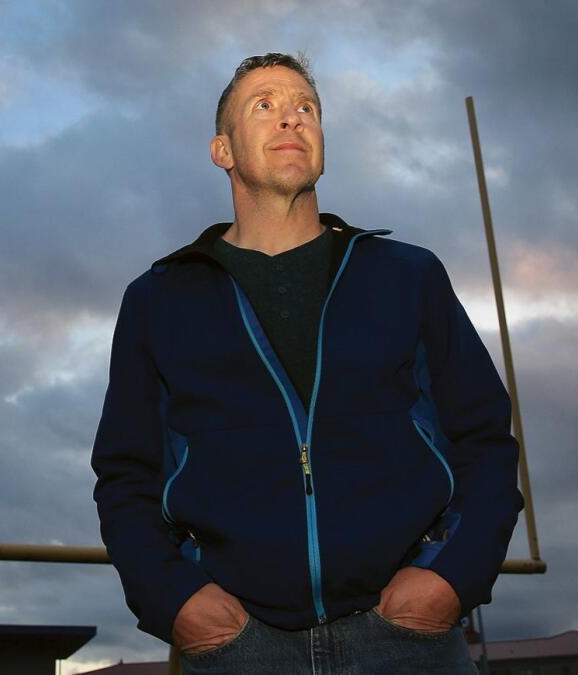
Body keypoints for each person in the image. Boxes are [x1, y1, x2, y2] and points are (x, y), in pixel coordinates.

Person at [91, 52, 525, 674]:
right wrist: (174, 598)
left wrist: (451, 579)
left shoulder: (408, 276)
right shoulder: (159, 298)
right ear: (223, 151)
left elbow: (483, 439)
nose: (291, 119)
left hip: (409, 635)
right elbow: (125, 474)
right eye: (263, 106)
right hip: (239, 643)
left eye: (306, 109)